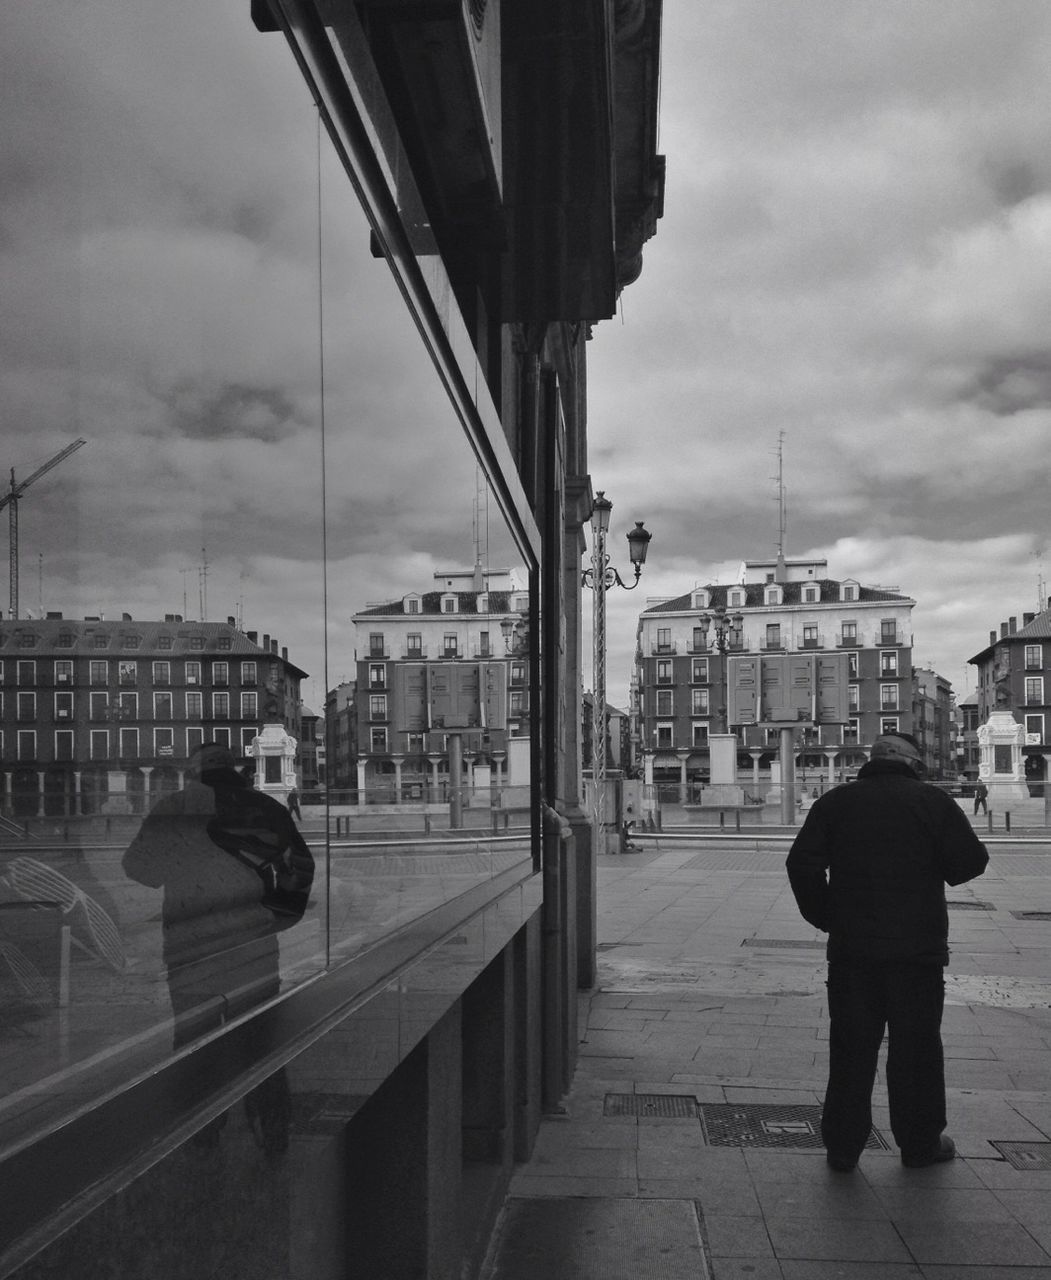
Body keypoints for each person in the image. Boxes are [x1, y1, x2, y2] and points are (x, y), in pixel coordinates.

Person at [786, 731, 988, 1172]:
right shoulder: (933, 802)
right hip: (918, 953)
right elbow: (970, 862)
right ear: (914, 764)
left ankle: (843, 1147)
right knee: (916, 1050)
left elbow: (800, 863)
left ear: (869, 762)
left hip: (852, 952)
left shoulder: (836, 803)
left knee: (851, 1050)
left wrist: (827, 917)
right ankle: (919, 1145)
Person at [123, 742, 314, 1047]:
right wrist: (279, 915)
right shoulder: (266, 807)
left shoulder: (173, 808)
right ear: (232, 768)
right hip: (254, 945)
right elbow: (300, 866)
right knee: (259, 1044)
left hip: (190, 947)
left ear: (193, 772)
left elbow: (138, 869)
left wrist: (180, 861)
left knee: (194, 1046)